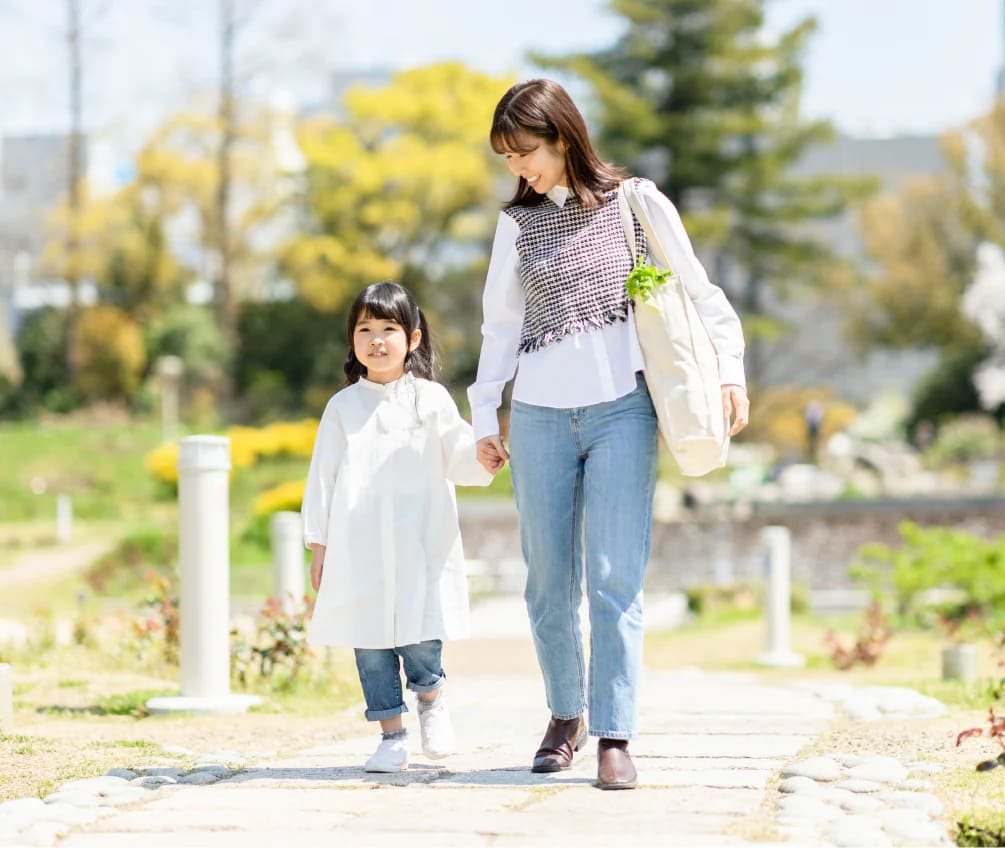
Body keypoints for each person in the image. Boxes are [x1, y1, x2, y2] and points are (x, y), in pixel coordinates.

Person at [468, 79, 750, 789]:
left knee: (615, 579)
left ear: (563, 137)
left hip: (623, 409)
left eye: (525, 151)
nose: (517, 168)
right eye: (506, 157)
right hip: (536, 418)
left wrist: (729, 373)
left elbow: (700, 294)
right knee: (546, 583)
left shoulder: (637, 203)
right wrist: (484, 416)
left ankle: (614, 734)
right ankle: (567, 715)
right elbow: (499, 328)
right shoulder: (516, 226)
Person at [302, 281, 495, 774]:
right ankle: (391, 734)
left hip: (418, 542)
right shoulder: (342, 408)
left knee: (420, 630)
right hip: (358, 547)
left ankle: (431, 700)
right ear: (353, 341)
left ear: (412, 338)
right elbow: (321, 480)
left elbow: (459, 457)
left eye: (388, 328)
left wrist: (485, 459)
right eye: (365, 329)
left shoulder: (430, 400)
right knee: (369, 643)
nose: (376, 340)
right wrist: (319, 544)